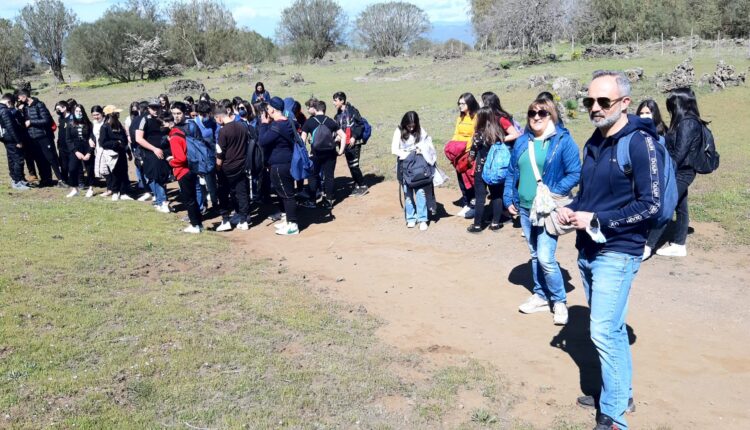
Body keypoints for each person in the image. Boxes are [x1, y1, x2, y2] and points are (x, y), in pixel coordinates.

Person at [556, 70, 662, 430]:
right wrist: (570, 207)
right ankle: (619, 392)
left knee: (601, 331)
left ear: (625, 103)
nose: (596, 108)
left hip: (619, 249)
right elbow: (589, 196)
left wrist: (597, 220)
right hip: (588, 248)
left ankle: (614, 416)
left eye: (604, 101)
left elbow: (652, 205)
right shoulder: (594, 142)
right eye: (590, 102)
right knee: (612, 329)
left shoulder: (639, 143)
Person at [504, 98, 581, 324]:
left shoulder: (562, 142)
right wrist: (509, 197)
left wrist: (552, 192)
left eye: (542, 113)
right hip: (526, 208)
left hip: (547, 209)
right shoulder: (522, 142)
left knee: (546, 257)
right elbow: (511, 172)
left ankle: (559, 301)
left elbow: (575, 173)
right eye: (532, 113)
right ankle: (540, 295)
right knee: (535, 254)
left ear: (552, 116)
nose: (536, 117)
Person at [643, 90, 702, 259]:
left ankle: (648, 246)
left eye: (672, 105)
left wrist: (665, 171)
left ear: (680, 104)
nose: (670, 109)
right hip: (683, 170)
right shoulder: (686, 121)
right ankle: (679, 244)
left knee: (666, 204)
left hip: (682, 171)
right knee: (681, 207)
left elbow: (679, 153)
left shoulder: (687, 123)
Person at [259, 97, 299, 235]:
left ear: (273, 109)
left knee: (287, 195)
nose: (267, 110)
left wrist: (264, 124)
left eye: (268, 107)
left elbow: (263, 141)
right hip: (286, 162)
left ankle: (293, 224)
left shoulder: (277, 125)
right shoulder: (287, 121)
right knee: (284, 193)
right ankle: (288, 220)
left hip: (280, 164)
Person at [392, 111, 435, 231]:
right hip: (405, 167)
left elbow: (427, 143)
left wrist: (421, 149)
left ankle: (422, 219)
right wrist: (409, 154)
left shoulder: (420, 130)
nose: (411, 128)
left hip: (418, 167)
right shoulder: (398, 131)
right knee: (408, 194)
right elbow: (394, 149)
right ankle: (410, 218)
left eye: (413, 125)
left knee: (421, 192)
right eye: (409, 125)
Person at [467, 107, 509, 233]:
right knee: (496, 195)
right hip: (496, 169)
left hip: (481, 169)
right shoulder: (498, 133)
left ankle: (477, 225)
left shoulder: (478, 134)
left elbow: (473, 152)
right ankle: (495, 223)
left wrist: (470, 159)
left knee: (480, 197)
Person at [161, 112, 203, 234]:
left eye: (163, 123)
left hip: (183, 171)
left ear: (169, 123)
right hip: (190, 170)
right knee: (193, 198)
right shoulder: (180, 133)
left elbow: (180, 159)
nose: (162, 126)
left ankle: (195, 225)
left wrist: (170, 161)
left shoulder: (174, 137)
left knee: (188, 200)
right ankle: (198, 223)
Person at [300, 99, 346, 210]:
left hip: (315, 154)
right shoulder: (330, 121)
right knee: (329, 176)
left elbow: (302, 140)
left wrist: (305, 153)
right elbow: (343, 135)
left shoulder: (309, 122)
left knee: (313, 176)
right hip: (330, 153)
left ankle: (312, 201)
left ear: (315, 109)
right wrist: (341, 151)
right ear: (324, 109)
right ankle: (329, 201)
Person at [214, 100, 250, 232]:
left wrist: (218, 167)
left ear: (219, 116)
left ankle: (225, 220)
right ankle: (243, 220)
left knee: (223, 194)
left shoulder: (223, 132)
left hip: (227, 168)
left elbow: (220, 153)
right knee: (242, 193)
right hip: (241, 165)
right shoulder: (242, 126)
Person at [18, 89, 63, 187]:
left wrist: (31, 122)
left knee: (51, 158)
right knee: (40, 160)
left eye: (19, 97)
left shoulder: (39, 105)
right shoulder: (24, 107)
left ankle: (61, 180)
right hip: (33, 139)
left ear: (24, 96)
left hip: (43, 137)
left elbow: (46, 120)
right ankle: (46, 179)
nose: (18, 99)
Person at [446, 92, 480, 218]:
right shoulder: (460, 118)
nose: (460, 106)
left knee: (471, 179)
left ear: (469, 103)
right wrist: (453, 148)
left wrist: (467, 150)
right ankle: (466, 202)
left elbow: (474, 136)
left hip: (469, 153)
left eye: (462, 103)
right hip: (459, 153)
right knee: (461, 179)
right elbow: (456, 134)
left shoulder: (476, 117)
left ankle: (474, 204)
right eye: (459, 103)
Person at [135, 100, 171, 213]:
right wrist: (154, 149)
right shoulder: (144, 120)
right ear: (148, 109)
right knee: (154, 176)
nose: (155, 110)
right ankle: (163, 201)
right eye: (152, 108)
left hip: (164, 151)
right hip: (150, 152)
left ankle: (160, 201)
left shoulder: (163, 119)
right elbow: (139, 138)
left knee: (162, 177)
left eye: (157, 108)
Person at [333, 91, 369, 197]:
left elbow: (360, 125)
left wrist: (354, 136)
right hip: (345, 143)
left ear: (342, 101)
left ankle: (362, 185)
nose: (333, 103)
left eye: (335, 100)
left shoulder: (353, 111)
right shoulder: (337, 115)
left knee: (354, 165)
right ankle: (357, 185)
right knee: (350, 165)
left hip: (354, 142)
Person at [98, 105, 133, 201]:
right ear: (110, 115)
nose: (118, 114)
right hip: (112, 155)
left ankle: (123, 192)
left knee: (123, 172)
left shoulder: (119, 125)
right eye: (116, 113)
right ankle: (115, 192)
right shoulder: (105, 127)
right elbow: (103, 142)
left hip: (121, 153)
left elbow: (124, 139)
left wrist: (128, 152)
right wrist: (116, 143)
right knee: (115, 173)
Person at [64, 104, 95, 198]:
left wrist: (89, 152)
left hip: (87, 147)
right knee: (72, 168)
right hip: (75, 149)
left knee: (90, 169)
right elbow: (68, 139)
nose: (79, 113)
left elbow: (92, 137)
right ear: (74, 112)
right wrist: (75, 151)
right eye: (77, 111)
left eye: (80, 111)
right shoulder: (70, 124)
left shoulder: (88, 124)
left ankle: (90, 188)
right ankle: (74, 189)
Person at [0, 93, 30, 190]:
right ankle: (17, 182)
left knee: (11, 159)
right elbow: (10, 127)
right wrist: (18, 141)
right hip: (11, 139)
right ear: (9, 102)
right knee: (18, 159)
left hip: (5, 138)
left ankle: (17, 179)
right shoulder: (4, 111)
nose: (11, 107)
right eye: (12, 104)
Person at [90, 105, 110, 196]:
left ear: (102, 113)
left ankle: (111, 189)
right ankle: (110, 188)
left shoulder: (106, 122)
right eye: (94, 115)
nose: (96, 117)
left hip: (106, 149)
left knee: (106, 170)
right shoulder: (94, 123)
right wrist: (90, 139)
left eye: (97, 114)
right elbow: (92, 134)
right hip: (98, 149)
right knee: (103, 170)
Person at [54, 101, 73, 185]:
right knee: (63, 165)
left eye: (58, 109)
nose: (57, 111)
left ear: (64, 108)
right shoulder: (60, 118)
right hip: (61, 145)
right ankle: (64, 180)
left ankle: (77, 181)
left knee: (72, 164)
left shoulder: (72, 118)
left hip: (70, 145)